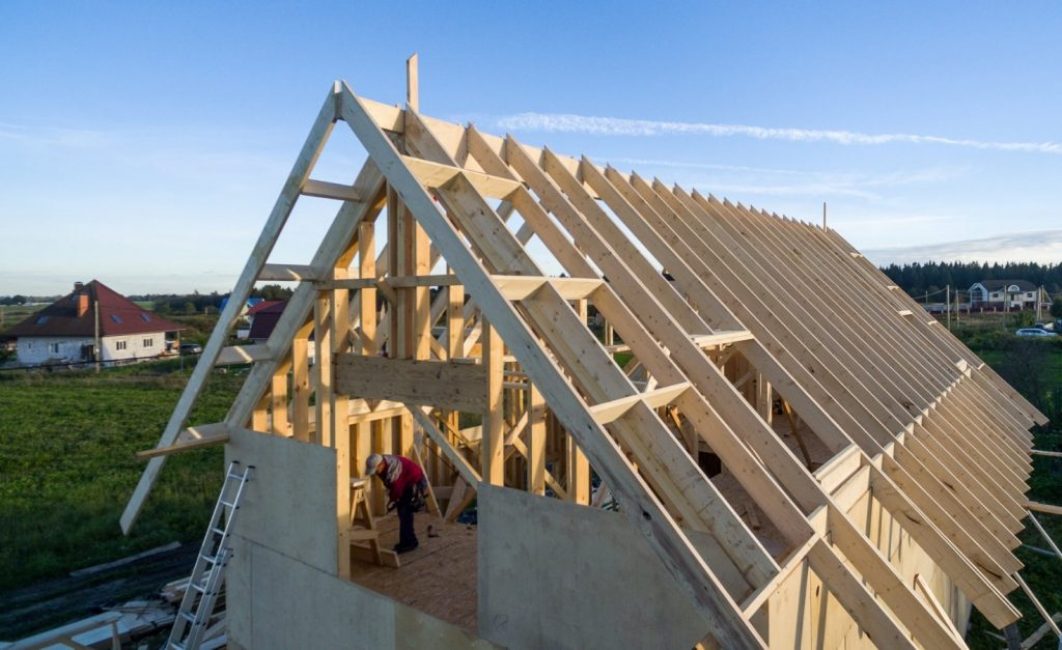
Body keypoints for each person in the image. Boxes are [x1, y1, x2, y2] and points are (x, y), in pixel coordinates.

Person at [365, 453, 427, 554]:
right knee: (403, 513)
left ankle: (408, 543)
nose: (375, 473)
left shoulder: (394, 471)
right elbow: (392, 486)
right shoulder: (384, 465)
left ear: (381, 465)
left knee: (405, 513)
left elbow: (397, 490)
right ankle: (410, 540)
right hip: (406, 482)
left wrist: (392, 501)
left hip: (415, 481)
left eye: (376, 470)